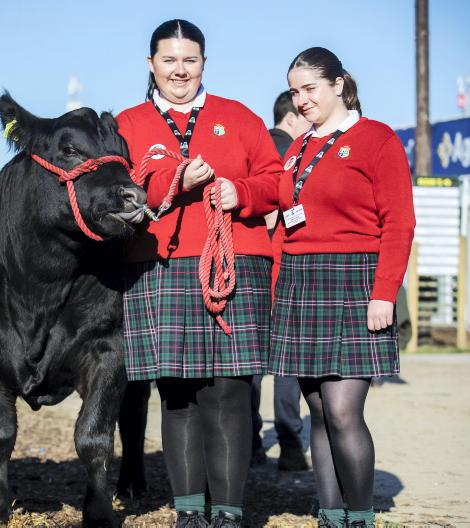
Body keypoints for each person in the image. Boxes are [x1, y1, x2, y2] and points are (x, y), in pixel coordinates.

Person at [220, 47, 415, 528]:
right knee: (320, 411)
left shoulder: (376, 139)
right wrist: (237, 192)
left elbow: (400, 222)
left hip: (355, 281)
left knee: (344, 411)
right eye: (294, 91)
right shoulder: (298, 149)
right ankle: (330, 514)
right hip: (299, 283)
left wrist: (384, 292)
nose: (301, 99)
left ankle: (361, 516)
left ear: (338, 84)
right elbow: (276, 205)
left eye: (310, 88)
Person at [116, 19, 281, 528]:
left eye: (190, 60)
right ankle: (189, 512)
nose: (180, 70)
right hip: (159, 265)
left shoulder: (240, 116)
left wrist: (241, 192)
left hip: (233, 261)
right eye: (169, 60)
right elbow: (118, 194)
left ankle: (228, 512)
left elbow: (277, 181)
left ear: (204, 63)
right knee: (178, 391)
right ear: (151, 64)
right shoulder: (126, 124)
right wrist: (174, 179)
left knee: (229, 390)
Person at [250, 91, 311, 470]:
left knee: (251, 366)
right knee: (287, 364)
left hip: (250, 270)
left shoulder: (253, 152)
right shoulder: (295, 155)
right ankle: (289, 445)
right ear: (290, 118)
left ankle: (250, 444)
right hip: (284, 270)